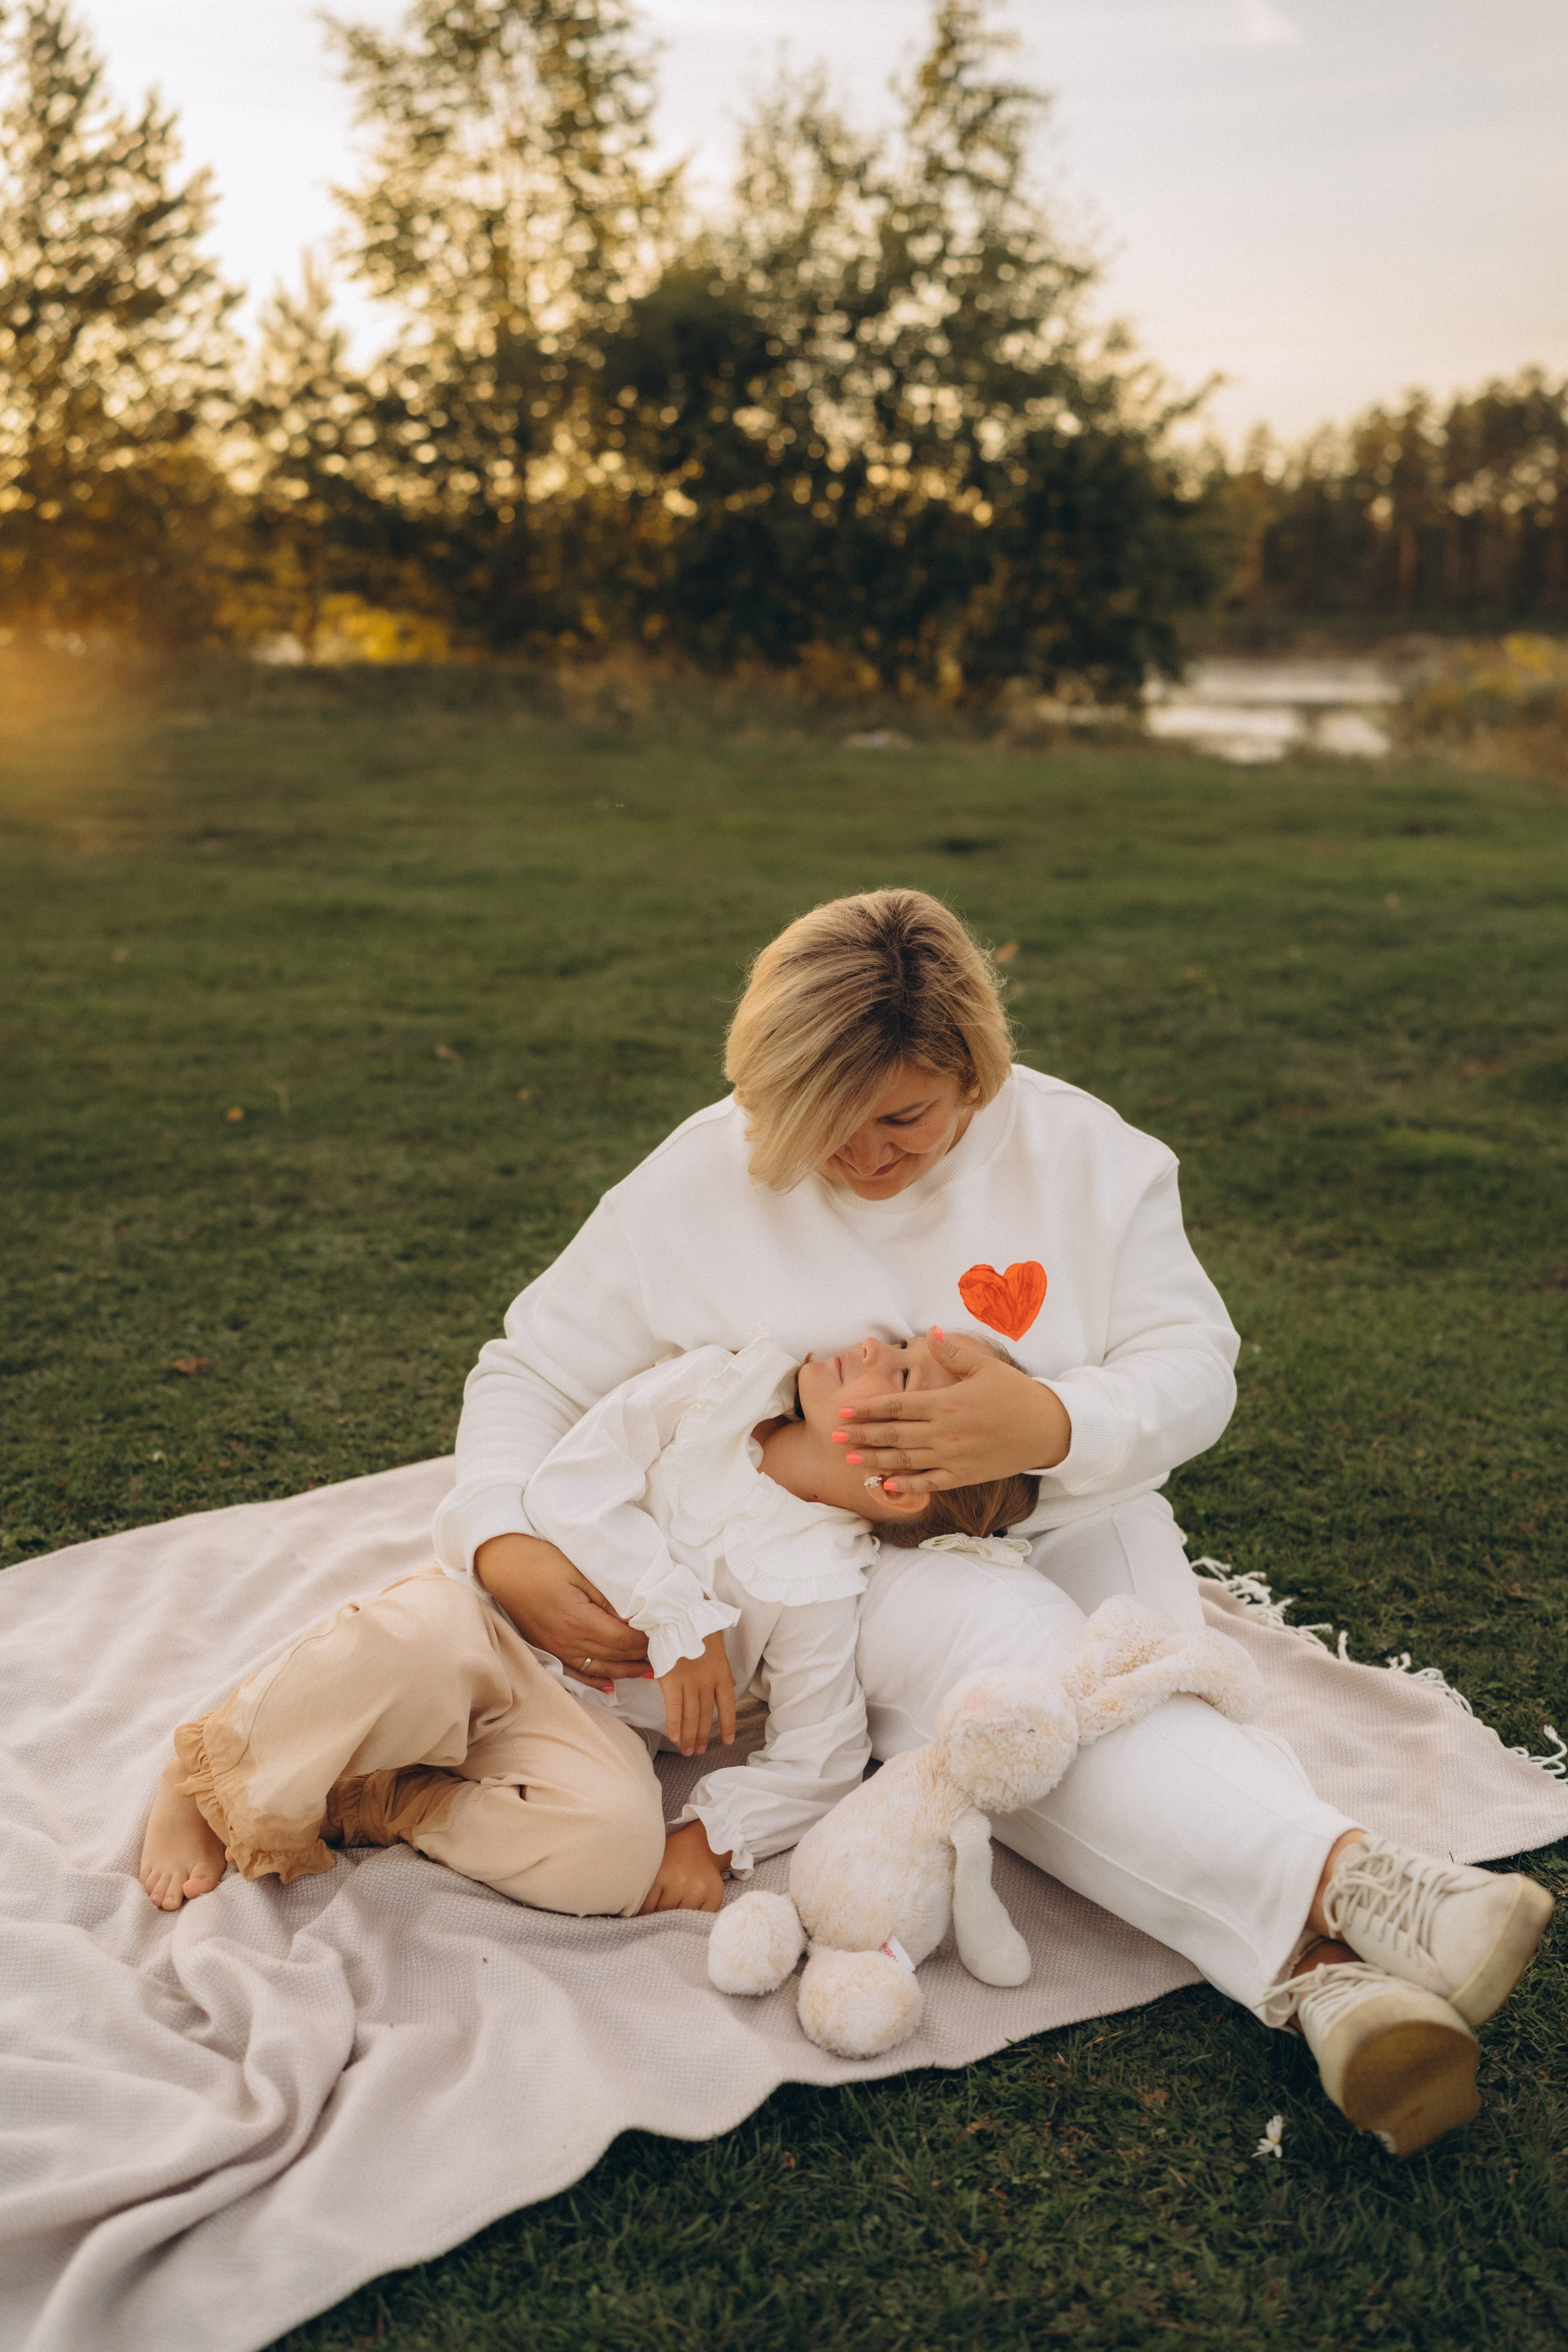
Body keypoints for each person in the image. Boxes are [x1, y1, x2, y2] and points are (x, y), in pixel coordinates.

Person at [440, 886, 1552, 2156]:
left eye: (903, 1118)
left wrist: (1051, 1428)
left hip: (1076, 1519)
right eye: (822, 1129)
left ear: (975, 1069)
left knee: (1131, 1692)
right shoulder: (699, 1178)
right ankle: (1364, 1894)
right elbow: (528, 1373)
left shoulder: (1085, 1160)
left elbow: (1194, 1364)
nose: (864, 1158)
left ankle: (1324, 1981)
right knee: (1015, 1703)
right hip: (849, 1572)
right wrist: (498, 1538)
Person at [135, 1329, 1044, 1923]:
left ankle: (394, 1797)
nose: (869, 1346)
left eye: (901, 1374)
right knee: (407, 1645)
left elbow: (821, 1756)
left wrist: (713, 1838)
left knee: (615, 1853)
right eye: (893, 1343)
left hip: (588, 1725)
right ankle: (205, 1770)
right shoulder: (711, 1397)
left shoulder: (820, 1585)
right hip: (487, 1632)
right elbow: (568, 1486)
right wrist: (678, 1621)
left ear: (898, 1480)